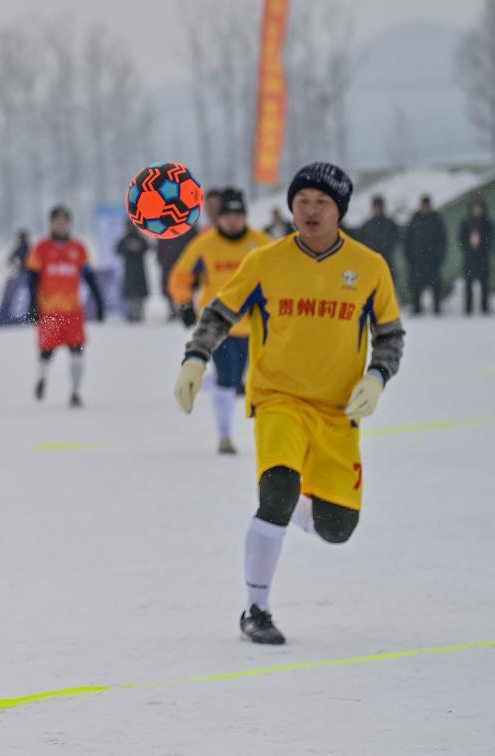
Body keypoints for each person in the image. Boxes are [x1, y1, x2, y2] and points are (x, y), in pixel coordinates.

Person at [172, 163, 405, 644]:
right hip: (278, 397)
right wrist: (195, 358)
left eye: (322, 202)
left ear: (339, 209)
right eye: (302, 202)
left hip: (338, 411)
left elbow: (390, 336)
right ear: (290, 207)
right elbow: (219, 312)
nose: (311, 211)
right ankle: (255, 610)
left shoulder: (369, 267)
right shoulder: (266, 261)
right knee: (277, 491)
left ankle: (293, 502)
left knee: (338, 528)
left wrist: (378, 377)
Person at [169, 188, 271, 454]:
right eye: (228, 215)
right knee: (227, 379)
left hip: (256, 326)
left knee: (248, 381)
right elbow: (180, 277)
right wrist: (184, 303)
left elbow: (283, 276)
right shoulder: (204, 245)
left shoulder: (261, 242)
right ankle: (224, 436)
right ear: (218, 218)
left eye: (238, 215)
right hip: (220, 327)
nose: (233, 221)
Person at [27, 205, 104, 408]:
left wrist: (99, 301)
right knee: (46, 352)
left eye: (65, 221)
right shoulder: (41, 248)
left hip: (72, 311)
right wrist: (32, 304)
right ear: (51, 223)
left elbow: (89, 277)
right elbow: (32, 279)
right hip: (50, 310)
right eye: (57, 221)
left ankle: (75, 392)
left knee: (77, 351)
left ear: (69, 224)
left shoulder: (78, 249)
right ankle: (42, 378)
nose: (61, 225)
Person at [404, 195, 446, 315]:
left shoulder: (436, 219)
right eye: (424, 206)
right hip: (417, 260)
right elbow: (407, 239)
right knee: (416, 285)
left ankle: (436, 307)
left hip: (433, 259)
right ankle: (417, 308)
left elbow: (442, 239)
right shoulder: (414, 219)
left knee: (436, 285)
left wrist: (439, 255)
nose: (425, 208)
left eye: (427, 206)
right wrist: (410, 256)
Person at [458, 198, 492, 315]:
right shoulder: (466, 223)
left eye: (479, 208)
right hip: (470, 258)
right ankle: (468, 308)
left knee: (484, 284)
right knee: (468, 284)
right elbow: (461, 239)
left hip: (482, 257)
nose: (477, 211)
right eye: (475, 208)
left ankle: (485, 308)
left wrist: (482, 246)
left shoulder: (486, 222)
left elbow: (490, 239)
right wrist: (469, 246)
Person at [353, 195, 400, 282]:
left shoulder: (390, 223)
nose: (378, 209)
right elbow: (359, 239)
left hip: (387, 261)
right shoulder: (368, 225)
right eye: (376, 207)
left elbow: (395, 238)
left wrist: (387, 248)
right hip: (372, 262)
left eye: (380, 206)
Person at [156, 227, 197, 321]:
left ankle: (185, 309)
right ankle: (173, 310)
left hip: (184, 266)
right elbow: (160, 250)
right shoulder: (164, 232)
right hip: (169, 266)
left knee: (186, 288)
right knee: (170, 290)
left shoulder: (187, 229)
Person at [115, 219, 150, 322]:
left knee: (140, 293)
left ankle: (139, 313)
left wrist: (137, 247)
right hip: (129, 270)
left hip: (139, 269)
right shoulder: (125, 239)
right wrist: (129, 248)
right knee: (131, 294)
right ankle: (132, 313)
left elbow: (147, 247)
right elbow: (118, 249)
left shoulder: (140, 238)